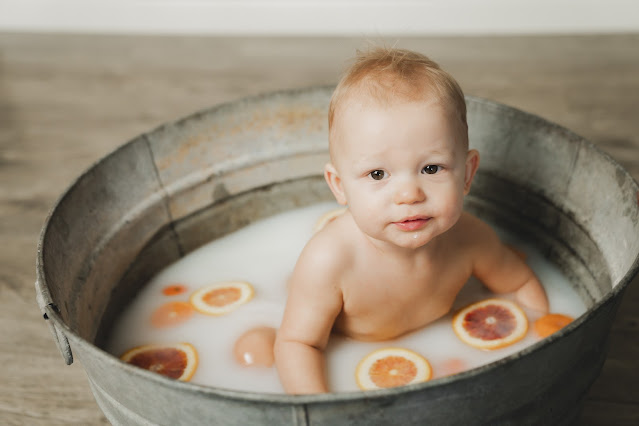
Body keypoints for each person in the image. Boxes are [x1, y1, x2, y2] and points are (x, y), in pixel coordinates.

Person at [274, 47, 549, 394]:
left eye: (431, 168)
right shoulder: (330, 261)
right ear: (339, 186)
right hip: (354, 355)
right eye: (377, 174)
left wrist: (539, 343)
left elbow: (519, 284)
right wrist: (319, 408)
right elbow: (298, 344)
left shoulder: (470, 238)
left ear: (467, 174)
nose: (408, 195)